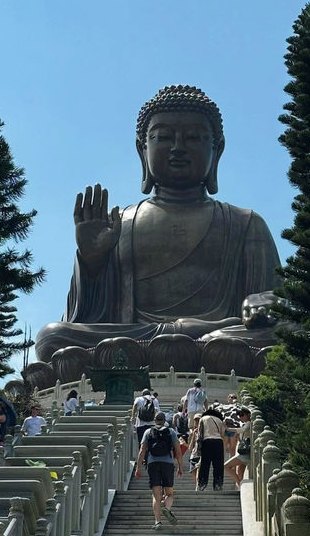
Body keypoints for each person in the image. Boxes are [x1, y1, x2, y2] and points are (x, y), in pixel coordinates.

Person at [34, 85, 281, 363]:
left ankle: (198, 341)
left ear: (217, 149)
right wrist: (92, 262)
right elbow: (87, 317)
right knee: (51, 336)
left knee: (291, 331)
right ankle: (192, 342)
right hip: (141, 339)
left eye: (193, 138)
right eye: (163, 137)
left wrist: (268, 303)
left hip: (221, 337)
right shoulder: (120, 224)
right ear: (143, 149)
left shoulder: (245, 224)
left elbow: (272, 304)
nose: (177, 148)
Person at [134, 411, 183, 531]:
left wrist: (138, 467)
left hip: (152, 463)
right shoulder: (170, 431)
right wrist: (180, 467)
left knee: (156, 495)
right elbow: (178, 449)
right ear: (164, 420)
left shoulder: (148, 431)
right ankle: (166, 507)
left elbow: (142, 451)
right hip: (168, 463)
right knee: (170, 493)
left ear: (154, 420)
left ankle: (158, 521)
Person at [196, 408, 226, 491]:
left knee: (205, 464)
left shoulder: (203, 419)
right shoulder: (220, 421)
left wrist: (198, 448)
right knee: (218, 465)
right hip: (218, 442)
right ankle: (218, 484)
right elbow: (222, 434)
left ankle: (202, 483)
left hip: (207, 441)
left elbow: (199, 433)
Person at [224, 407, 252, 488]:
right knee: (240, 472)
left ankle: (239, 483)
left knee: (226, 466)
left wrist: (228, 429)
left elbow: (243, 430)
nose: (240, 417)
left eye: (242, 415)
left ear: (248, 415)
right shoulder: (245, 423)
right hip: (244, 451)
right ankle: (240, 486)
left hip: (245, 453)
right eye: (239, 415)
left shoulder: (249, 423)